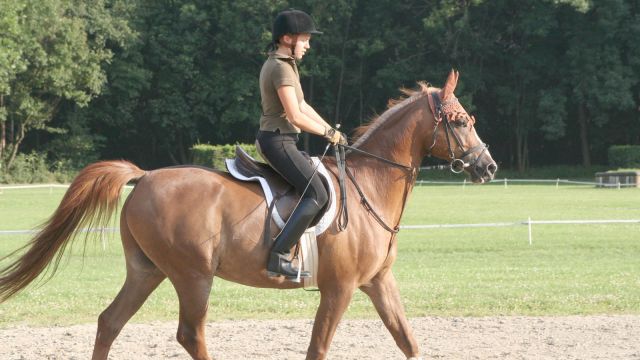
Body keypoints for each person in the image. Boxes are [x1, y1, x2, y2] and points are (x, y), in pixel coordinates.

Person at [256, 9, 346, 279]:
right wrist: (327, 134)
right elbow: (294, 115)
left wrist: (330, 128)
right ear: (287, 38)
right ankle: (279, 255)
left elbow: (303, 105)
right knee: (318, 194)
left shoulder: (285, 64)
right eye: (305, 40)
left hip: (281, 139)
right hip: (278, 141)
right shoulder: (280, 68)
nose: (308, 46)